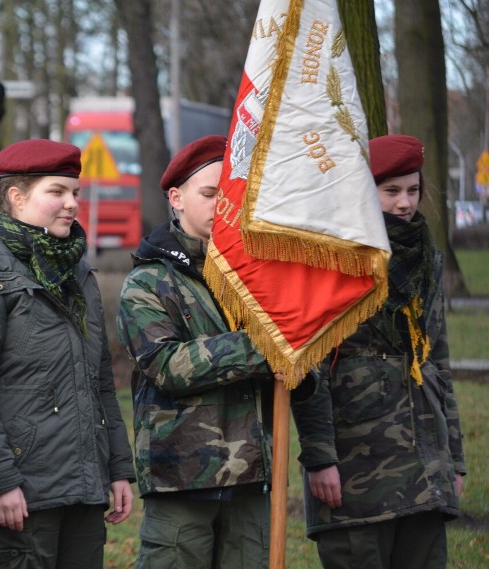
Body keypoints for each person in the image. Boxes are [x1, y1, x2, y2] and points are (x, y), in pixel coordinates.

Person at [0, 139, 135, 569]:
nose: (71, 204)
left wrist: (118, 469)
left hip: (84, 492)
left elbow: (101, 381)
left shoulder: (79, 275)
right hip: (18, 497)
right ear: (17, 197)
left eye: (76, 193)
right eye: (57, 192)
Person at [290, 134, 466, 569]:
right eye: (391, 191)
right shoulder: (329, 259)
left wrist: (453, 459)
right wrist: (320, 458)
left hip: (426, 463)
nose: (405, 203)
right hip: (356, 464)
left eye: (412, 190)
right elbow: (310, 369)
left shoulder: (424, 256)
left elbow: (437, 364)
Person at [116, 135, 280, 569]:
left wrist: (299, 364)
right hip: (182, 478)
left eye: (231, 194)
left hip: (251, 477)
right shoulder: (148, 282)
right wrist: (265, 345)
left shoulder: (256, 280)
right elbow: (167, 365)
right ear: (177, 198)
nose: (221, 204)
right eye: (209, 193)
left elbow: (293, 373)